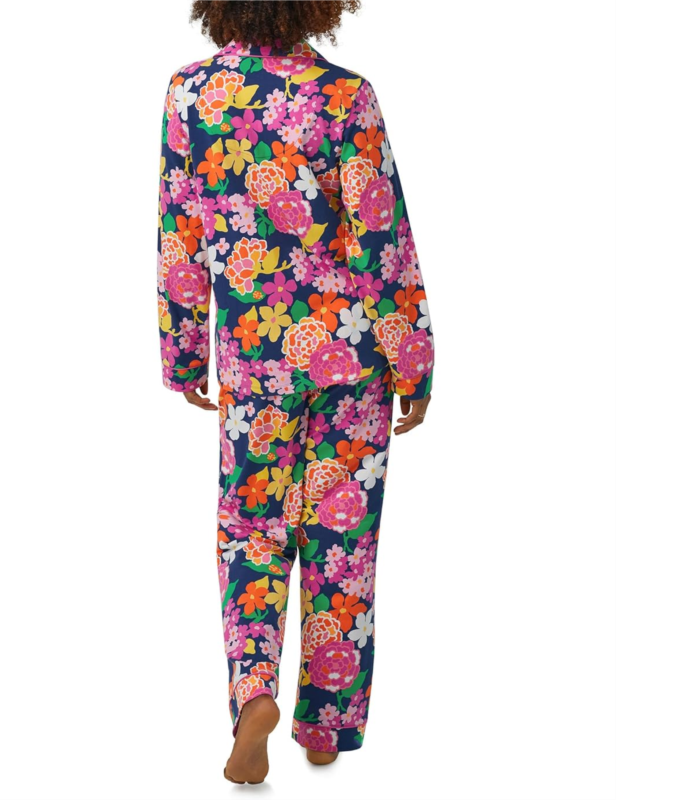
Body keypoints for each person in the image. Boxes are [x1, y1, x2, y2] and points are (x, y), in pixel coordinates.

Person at [157, 0, 434, 784]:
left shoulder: (190, 94)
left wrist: (184, 351)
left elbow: (180, 233)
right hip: (353, 363)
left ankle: (254, 693)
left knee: (252, 531)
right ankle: (326, 723)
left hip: (254, 364)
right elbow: (383, 239)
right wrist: (413, 358)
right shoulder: (346, 96)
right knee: (340, 542)